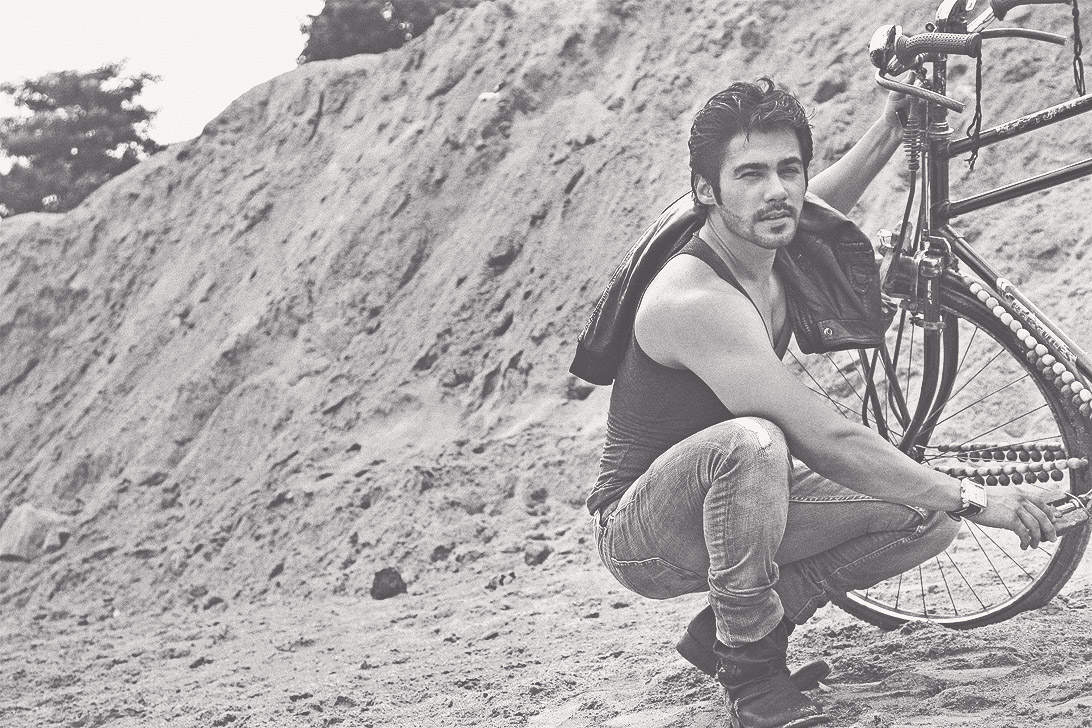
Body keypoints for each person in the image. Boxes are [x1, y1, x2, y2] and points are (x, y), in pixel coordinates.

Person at [585, 78, 1063, 728]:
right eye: (750, 174)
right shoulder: (696, 300)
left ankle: (733, 630)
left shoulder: (765, 234)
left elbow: (821, 200)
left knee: (925, 511)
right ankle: (752, 677)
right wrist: (978, 499)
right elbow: (827, 440)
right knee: (753, 441)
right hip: (646, 533)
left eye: (790, 170)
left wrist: (891, 127)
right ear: (706, 190)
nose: (776, 191)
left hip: (744, 502)